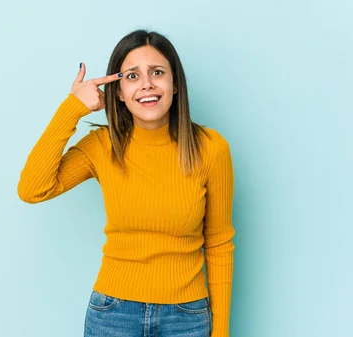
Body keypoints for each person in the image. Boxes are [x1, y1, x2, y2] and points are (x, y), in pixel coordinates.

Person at [17, 29, 235, 337]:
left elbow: (219, 243)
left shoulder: (211, 148)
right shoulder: (102, 146)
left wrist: (221, 331)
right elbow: (32, 189)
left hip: (187, 317)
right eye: (132, 76)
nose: (146, 83)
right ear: (118, 91)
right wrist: (73, 108)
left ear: (175, 85)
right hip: (112, 314)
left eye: (157, 72)